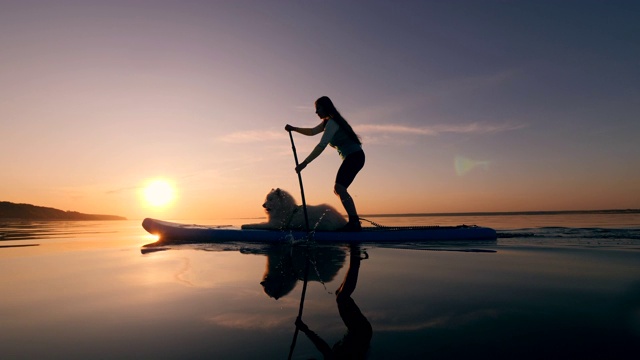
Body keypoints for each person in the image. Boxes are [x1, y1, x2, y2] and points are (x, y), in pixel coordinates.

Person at [285, 96, 365, 232]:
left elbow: (321, 145)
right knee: (338, 189)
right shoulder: (326, 123)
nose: (316, 112)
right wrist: (294, 128)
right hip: (353, 157)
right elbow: (311, 132)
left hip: (355, 157)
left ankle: (354, 223)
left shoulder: (333, 123)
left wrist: (305, 163)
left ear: (326, 108)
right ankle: (354, 222)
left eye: (318, 109)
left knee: (339, 188)